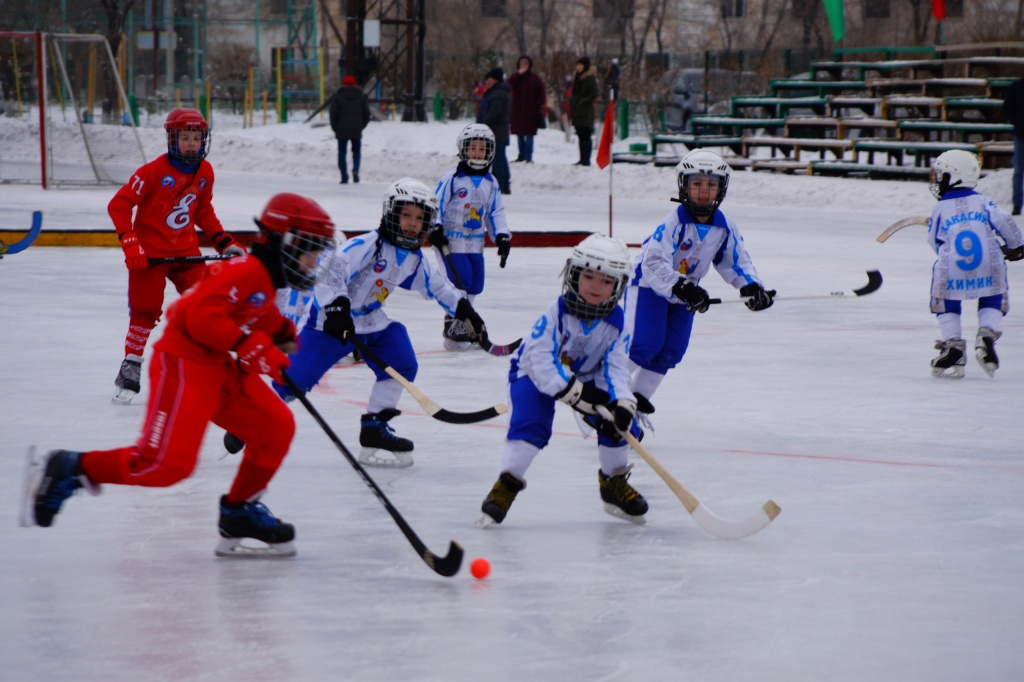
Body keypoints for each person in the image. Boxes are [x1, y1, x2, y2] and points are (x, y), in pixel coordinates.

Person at [21, 193, 337, 558]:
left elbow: (251, 308)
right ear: (287, 242)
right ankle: (69, 466)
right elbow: (197, 318)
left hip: (218, 366)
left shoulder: (263, 279)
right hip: (183, 364)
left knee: (275, 427)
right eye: (312, 249)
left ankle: (239, 512)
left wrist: (278, 331)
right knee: (165, 466)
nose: (314, 262)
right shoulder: (246, 270)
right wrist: (250, 345)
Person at [265, 178, 490, 468]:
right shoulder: (365, 245)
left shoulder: (414, 258)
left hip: (371, 321)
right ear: (391, 213)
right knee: (294, 382)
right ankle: (250, 419)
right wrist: (336, 309)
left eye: (420, 218)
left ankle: (375, 426)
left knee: (401, 358)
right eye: (406, 215)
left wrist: (464, 310)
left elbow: (438, 286)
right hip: (329, 324)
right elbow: (331, 271)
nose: (411, 223)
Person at [478, 234, 647, 527]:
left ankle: (613, 483)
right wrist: (573, 391)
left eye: (606, 281)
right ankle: (506, 484)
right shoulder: (556, 313)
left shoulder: (618, 324)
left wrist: (622, 401)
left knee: (618, 424)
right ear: (573, 274)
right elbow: (541, 360)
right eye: (589, 276)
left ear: (618, 287)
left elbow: (616, 369)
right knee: (533, 423)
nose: (596, 286)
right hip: (531, 372)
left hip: (586, 375)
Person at [107, 107, 245, 405]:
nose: (192, 144)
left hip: (185, 253)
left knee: (206, 304)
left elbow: (203, 211)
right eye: (185, 137)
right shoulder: (152, 172)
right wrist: (131, 243)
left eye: (197, 137)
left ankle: (205, 362)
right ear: (172, 138)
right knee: (145, 311)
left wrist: (224, 242)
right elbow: (118, 205)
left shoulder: (205, 172)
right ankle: (131, 364)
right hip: (150, 256)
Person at [623, 150, 774, 415]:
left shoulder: (724, 227)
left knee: (672, 350)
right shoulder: (673, 223)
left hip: (686, 292)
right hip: (649, 285)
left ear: (721, 188)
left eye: (711, 185)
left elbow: (736, 261)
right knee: (645, 343)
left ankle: (633, 405)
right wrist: (680, 286)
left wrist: (751, 287)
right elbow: (653, 262)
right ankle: (604, 395)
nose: (704, 191)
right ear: (684, 185)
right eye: (697, 184)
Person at [925, 149, 1023, 378]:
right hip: (990, 261)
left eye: (941, 175)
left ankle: (953, 346)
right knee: (994, 293)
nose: (938, 180)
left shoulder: (940, 208)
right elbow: (1004, 220)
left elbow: (934, 240)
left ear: (954, 176)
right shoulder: (983, 201)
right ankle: (987, 334)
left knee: (945, 297)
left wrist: (947, 253)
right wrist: (1016, 245)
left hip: (953, 267)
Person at [429, 123, 512, 351]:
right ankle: (453, 320)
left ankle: (464, 322)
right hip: (450, 242)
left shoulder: (491, 183)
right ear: (463, 150)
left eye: (481, 148)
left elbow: (495, 213)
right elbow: (436, 204)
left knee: (475, 284)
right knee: (460, 281)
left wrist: (502, 237)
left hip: (475, 243)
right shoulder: (453, 179)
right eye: (472, 148)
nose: (477, 153)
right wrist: (435, 228)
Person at [329, 75, 371, 184]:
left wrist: (335, 128)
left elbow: (333, 114)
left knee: (342, 154)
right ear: (354, 84)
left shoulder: (338, 96)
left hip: (341, 130)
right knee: (356, 152)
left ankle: (344, 177)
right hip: (356, 130)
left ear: (343, 83)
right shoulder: (361, 97)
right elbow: (367, 114)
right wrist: (361, 126)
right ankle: (356, 170)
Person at [477, 67, 512, 194]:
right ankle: (504, 184)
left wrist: (483, 123)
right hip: (499, 131)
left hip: (495, 131)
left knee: (497, 158)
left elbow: (494, 112)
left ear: (495, 79)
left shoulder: (497, 93)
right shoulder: (500, 92)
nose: (487, 81)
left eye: (489, 78)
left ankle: (501, 185)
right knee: (500, 157)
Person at [508, 55, 546, 164]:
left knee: (529, 134)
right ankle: (521, 155)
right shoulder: (515, 77)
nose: (523, 67)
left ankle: (528, 156)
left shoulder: (535, 78)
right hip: (518, 110)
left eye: (525, 64)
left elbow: (541, 92)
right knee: (519, 134)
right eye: (521, 65)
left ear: (529, 65)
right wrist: (517, 74)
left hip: (531, 110)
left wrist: (538, 104)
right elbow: (508, 85)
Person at [569, 56, 599, 166]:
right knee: (580, 134)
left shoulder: (590, 78)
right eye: (577, 65)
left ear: (585, 66)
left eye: (580, 65)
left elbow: (594, 94)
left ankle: (586, 159)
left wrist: (584, 100)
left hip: (585, 111)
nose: (578, 67)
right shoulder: (577, 77)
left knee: (586, 135)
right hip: (577, 111)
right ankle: (582, 158)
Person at [1002, 77, 1024, 216]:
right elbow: (1006, 109)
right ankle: (1017, 204)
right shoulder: (1017, 86)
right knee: (1018, 171)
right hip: (1021, 134)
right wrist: (1018, 120)